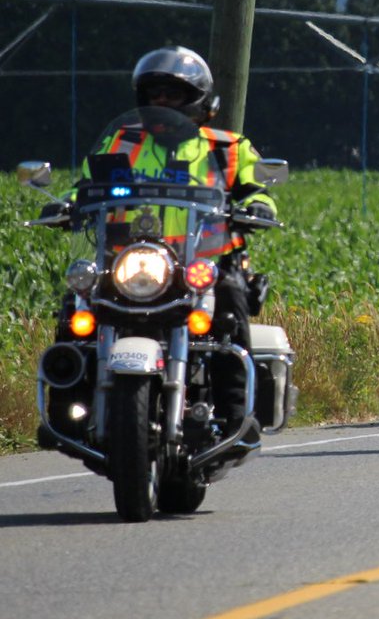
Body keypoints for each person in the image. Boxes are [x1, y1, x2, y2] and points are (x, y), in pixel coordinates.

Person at [39, 45, 277, 448]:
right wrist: (65, 204)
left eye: (174, 94)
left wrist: (257, 206)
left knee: (231, 302)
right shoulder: (122, 141)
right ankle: (65, 413)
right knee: (76, 311)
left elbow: (260, 192)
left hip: (201, 264)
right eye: (155, 94)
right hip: (127, 263)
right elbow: (85, 185)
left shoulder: (226, 148)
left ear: (200, 100)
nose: (162, 102)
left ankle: (239, 417)